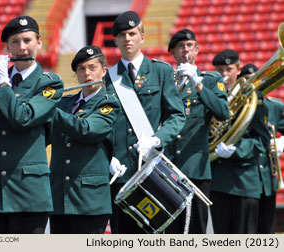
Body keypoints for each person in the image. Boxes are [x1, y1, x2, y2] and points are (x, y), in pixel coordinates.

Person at [0, 16, 64, 234]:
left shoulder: (49, 82)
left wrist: (3, 82)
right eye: (15, 42)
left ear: (39, 42)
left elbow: (22, 118)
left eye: (27, 40)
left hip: (28, 194)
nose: (22, 47)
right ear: (7, 46)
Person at [105, 11, 186, 234]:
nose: (127, 38)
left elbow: (177, 116)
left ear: (142, 36)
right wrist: (107, 156)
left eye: (132, 33)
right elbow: (103, 125)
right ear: (116, 40)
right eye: (122, 34)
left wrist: (157, 139)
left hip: (154, 171)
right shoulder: (107, 78)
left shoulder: (161, 71)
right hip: (120, 174)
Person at [48, 45, 119, 234]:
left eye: (92, 67)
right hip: (59, 199)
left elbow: (87, 130)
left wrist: (47, 106)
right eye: (81, 69)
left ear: (103, 71)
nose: (87, 73)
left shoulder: (108, 103)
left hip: (90, 202)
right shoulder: (64, 102)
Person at [164, 29, 229, 234]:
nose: (185, 50)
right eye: (180, 47)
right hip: (167, 167)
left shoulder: (210, 80)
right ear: (172, 53)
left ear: (197, 50)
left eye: (190, 46)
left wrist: (198, 84)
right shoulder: (164, 82)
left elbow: (223, 112)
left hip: (196, 168)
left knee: (197, 229)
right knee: (170, 230)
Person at [210, 51, 270, 233]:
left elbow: (262, 141)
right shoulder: (210, 98)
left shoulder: (255, 100)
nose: (225, 75)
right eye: (220, 70)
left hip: (244, 183)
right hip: (218, 182)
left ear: (238, 70)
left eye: (229, 69)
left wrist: (236, 149)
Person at [239, 63, 284, 233]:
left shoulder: (274, 106)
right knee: (246, 231)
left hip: (267, 179)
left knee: (267, 230)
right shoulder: (235, 107)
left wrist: (282, 142)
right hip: (244, 178)